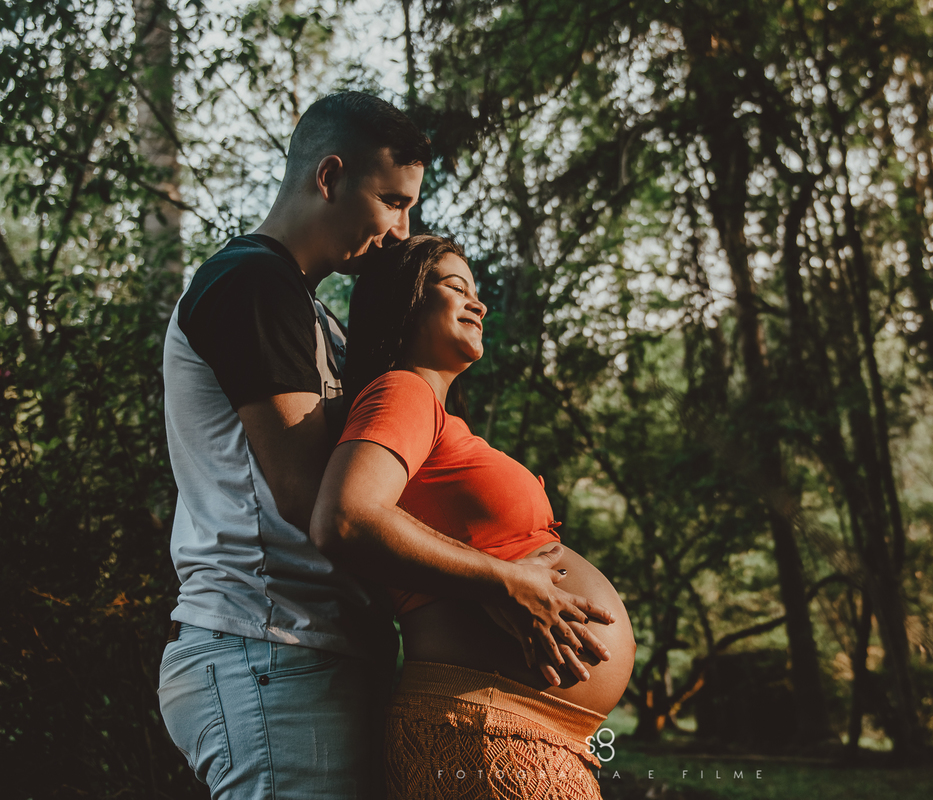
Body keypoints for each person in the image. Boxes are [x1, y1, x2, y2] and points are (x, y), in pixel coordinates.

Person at [158, 92, 611, 800]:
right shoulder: (253, 283)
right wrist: (496, 578)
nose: (402, 232)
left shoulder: (311, 314)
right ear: (330, 176)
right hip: (269, 649)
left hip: (317, 654)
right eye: (392, 202)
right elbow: (329, 510)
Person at [311, 235, 637, 800]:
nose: (478, 304)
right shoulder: (404, 390)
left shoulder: (433, 413)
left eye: (478, 291)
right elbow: (344, 517)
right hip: (483, 726)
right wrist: (505, 580)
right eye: (454, 286)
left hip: (510, 728)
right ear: (404, 302)